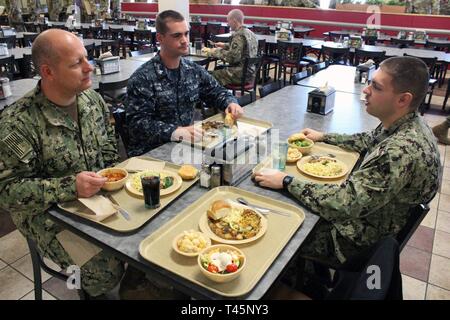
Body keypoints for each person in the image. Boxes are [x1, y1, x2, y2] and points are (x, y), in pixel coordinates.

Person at [254, 56, 441, 268]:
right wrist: (324, 137)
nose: (366, 90)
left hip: (358, 242)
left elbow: (343, 204)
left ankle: (296, 279)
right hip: (376, 220)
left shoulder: (399, 151)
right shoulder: (408, 122)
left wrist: (286, 180)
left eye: (376, 87)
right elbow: (368, 140)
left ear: (402, 100)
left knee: (276, 226)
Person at [0, 29, 125, 298]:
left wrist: (116, 179)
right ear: (48, 72)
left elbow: (108, 144)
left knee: (145, 237)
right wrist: (71, 187)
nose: (89, 67)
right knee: (105, 268)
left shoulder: (92, 100)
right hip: (46, 216)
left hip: (97, 199)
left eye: (86, 58)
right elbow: (8, 193)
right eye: (76, 63)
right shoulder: (17, 122)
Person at [125, 10, 243, 156]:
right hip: (151, 154)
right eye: (177, 36)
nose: (185, 40)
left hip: (185, 147)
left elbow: (216, 91)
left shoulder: (192, 70)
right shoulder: (143, 78)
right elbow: (137, 125)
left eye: (186, 34)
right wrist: (175, 132)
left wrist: (230, 103)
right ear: (160, 38)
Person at [207, 9, 258, 87]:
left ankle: (219, 97)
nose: (228, 24)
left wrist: (216, 51)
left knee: (208, 76)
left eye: (228, 21)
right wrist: (224, 45)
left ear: (234, 20)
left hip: (240, 75)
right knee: (218, 68)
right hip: (251, 73)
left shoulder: (239, 35)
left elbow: (232, 58)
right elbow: (243, 48)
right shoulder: (250, 33)